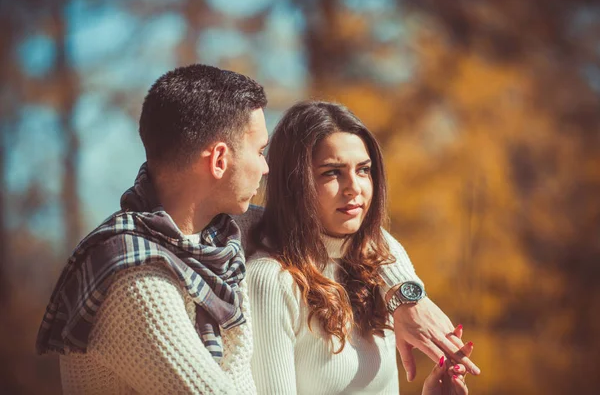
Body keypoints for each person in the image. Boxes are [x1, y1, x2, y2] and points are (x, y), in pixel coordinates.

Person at [36, 64, 270, 394]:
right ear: (219, 159)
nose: (266, 167)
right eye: (260, 151)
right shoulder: (133, 277)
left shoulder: (218, 242)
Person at [246, 101, 477, 394]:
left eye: (364, 170)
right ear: (295, 182)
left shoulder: (375, 269)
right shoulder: (269, 281)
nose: (354, 187)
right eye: (332, 172)